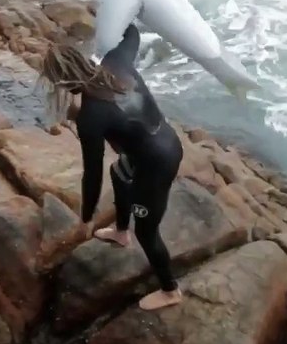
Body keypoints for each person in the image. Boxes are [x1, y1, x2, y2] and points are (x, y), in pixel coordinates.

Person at [39, 24, 184, 310]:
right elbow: (133, 35)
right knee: (119, 174)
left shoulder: (91, 117)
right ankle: (120, 232)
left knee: (148, 232)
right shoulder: (115, 60)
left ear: (64, 84)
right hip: (157, 143)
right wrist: (115, 13)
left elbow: (90, 173)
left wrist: (86, 220)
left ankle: (170, 291)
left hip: (157, 164)